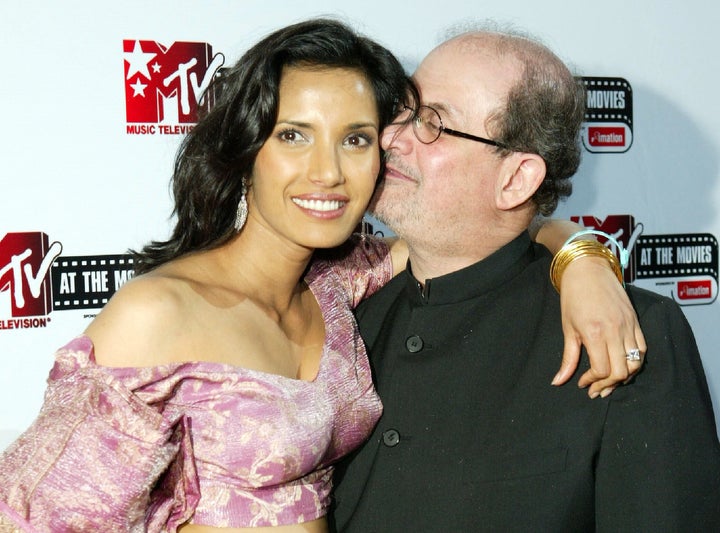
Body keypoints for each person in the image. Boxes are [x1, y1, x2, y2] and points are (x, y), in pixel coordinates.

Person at [0, 19, 644, 533]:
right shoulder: (158, 315)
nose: (328, 172)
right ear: (246, 148)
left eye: (358, 138)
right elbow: (42, 518)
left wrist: (581, 255)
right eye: (294, 136)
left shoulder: (339, 284)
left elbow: (490, 228)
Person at [330, 25, 720, 532]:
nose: (389, 138)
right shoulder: (341, 306)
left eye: (433, 123)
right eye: (402, 111)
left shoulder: (626, 336)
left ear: (515, 180)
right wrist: (577, 250)